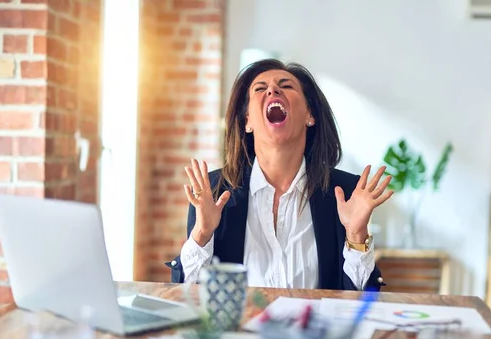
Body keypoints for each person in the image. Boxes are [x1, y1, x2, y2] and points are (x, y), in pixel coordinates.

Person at [165, 59, 393, 291]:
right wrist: (202, 234)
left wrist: (356, 236)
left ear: (309, 115)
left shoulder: (343, 193)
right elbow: (187, 294)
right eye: (260, 88)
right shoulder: (213, 191)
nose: (273, 90)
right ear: (247, 122)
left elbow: (363, 300)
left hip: (317, 327)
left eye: (286, 86)